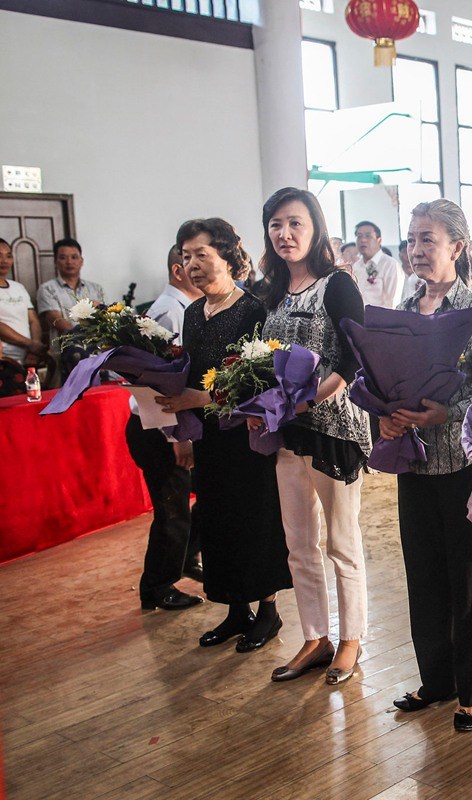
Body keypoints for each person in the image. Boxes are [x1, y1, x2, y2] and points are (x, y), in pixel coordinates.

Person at [383, 199, 472, 732]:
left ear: (457, 247)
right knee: (425, 575)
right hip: (415, 463)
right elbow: (386, 379)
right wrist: (386, 416)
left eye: (427, 239)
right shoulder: (403, 313)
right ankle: (436, 679)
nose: (416, 249)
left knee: (469, 580)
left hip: (465, 468)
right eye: (411, 239)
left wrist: (446, 413)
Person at [154, 218, 293, 650]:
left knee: (256, 521)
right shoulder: (194, 313)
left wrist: (199, 400)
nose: (191, 263)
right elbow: (193, 375)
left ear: (228, 256)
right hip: (210, 439)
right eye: (185, 255)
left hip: (248, 437)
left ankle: (268, 612)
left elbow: (258, 384)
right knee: (218, 523)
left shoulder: (253, 310)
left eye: (201, 254)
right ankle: (236, 610)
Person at [259, 187, 372, 686]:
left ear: (316, 228)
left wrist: (313, 397)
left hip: (333, 428)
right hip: (286, 430)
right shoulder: (267, 292)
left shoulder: (338, 285)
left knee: (342, 542)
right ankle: (315, 637)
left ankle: (351, 639)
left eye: (295, 223)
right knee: (299, 542)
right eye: (276, 224)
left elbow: (355, 358)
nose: (285, 234)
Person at [128, 245, 204, 612]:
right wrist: (178, 437)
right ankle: (158, 587)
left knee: (203, 501)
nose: (201, 269)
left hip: (169, 426)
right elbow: (157, 384)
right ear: (178, 269)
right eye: (193, 262)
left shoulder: (183, 309)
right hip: (159, 429)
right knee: (172, 512)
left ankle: (186, 556)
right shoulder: (169, 312)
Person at [36, 237, 105, 380]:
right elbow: (56, 320)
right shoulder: (47, 289)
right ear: (56, 262)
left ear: (81, 261)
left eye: (74, 257)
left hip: (97, 354)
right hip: (64, 355)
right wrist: (81, 338)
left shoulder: (95, 288)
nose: (69, 262)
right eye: (63, 258)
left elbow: (103, 319)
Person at [0, 238, 47, 374]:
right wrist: (29, 344)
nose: (4, 261)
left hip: (28, 358)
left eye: (8, 256)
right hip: (5, 358)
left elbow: (33, 319)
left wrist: (35, 347)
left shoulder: (18, 287)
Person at [350, 220, 399, 309]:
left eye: (368, 236)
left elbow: (393, 302)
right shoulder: (355, 267)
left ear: (379, 240)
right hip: (358, 320)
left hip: (380, 320)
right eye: (359, 236)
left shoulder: (390, 265)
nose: (363, 240)